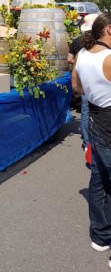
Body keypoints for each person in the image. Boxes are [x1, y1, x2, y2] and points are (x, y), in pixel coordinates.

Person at [72, 13, 111, 265]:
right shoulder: (109, 58)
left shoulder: (82, 54)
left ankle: (100, 236)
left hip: (96, 122)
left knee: (98, 181)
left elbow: (77, 88)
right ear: (109, 30)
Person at [67, 13, 98, 153]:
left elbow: (69, 59)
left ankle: (87, 144)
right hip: (98, 82)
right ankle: (97, 143)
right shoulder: (101, 42)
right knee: (100, 114)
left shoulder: (77, 41)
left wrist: (80, 65)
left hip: (83, 82)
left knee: (85, 113)